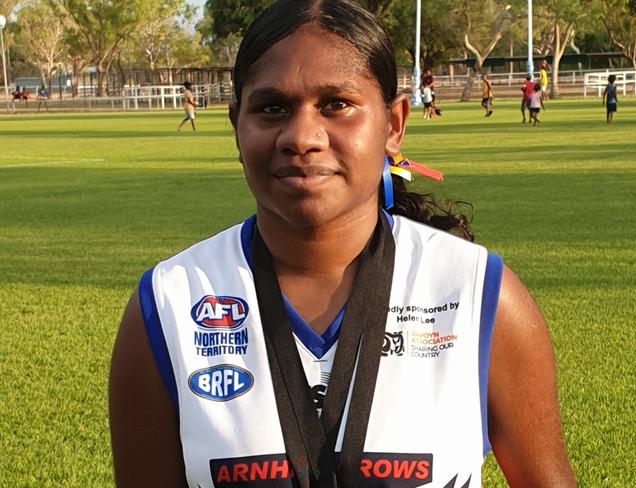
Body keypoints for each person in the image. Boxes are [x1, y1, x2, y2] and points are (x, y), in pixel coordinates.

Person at [109, 1, 577, 487]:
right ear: (236, 127)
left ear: (394, 124)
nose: (301, 136)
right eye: (272, 108)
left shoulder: (480, 297)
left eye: (336, 104)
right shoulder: (168, 306)